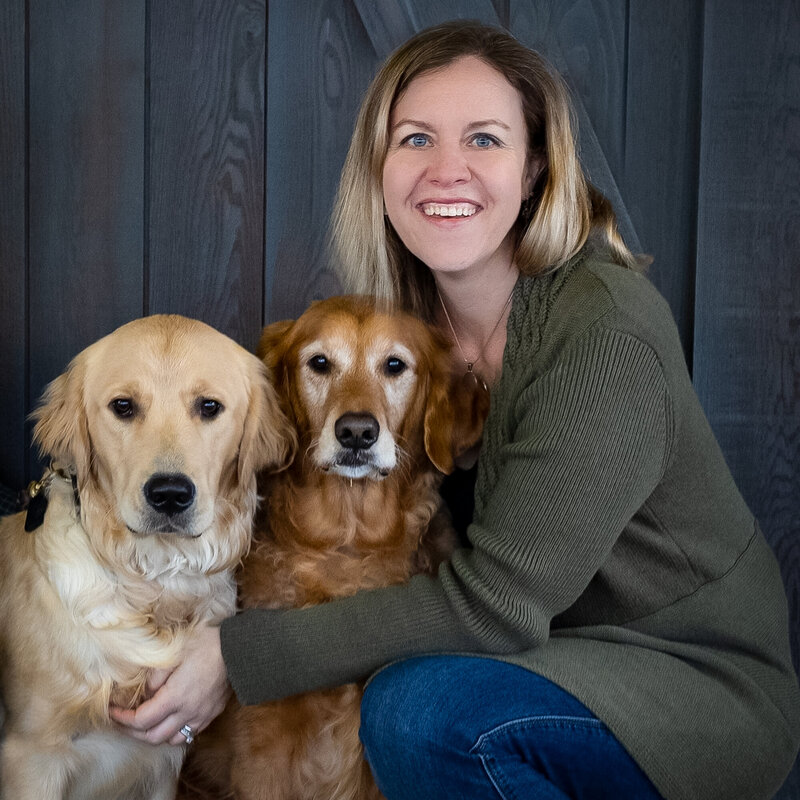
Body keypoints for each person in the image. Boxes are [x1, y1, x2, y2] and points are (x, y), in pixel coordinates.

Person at [111, 20, 800, 799]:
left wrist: (238, 656)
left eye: (484, 139)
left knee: (418, 710)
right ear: (378, 168)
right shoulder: (410, 336)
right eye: (414, 140)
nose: (447, 170)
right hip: (535, 667)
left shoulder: (604, 334)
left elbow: (499, 607)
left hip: (684, 686)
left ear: (536, 168)